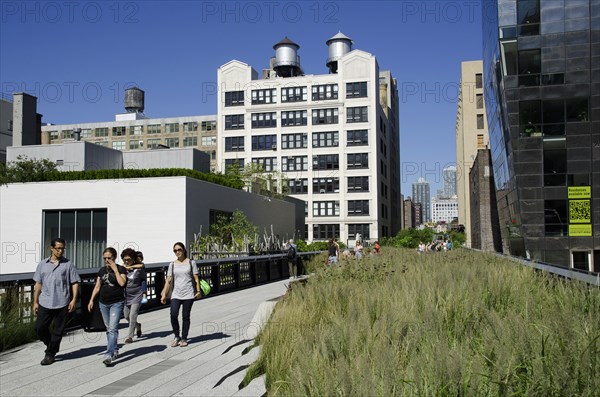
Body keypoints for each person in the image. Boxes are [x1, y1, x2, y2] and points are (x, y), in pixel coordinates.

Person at [32, 238, 81, 366]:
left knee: (58, 331)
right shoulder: (42, 264)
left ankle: (50, 354)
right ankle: (51, 345)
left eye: (62, 248)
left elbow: (74, 282)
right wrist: (35, 302)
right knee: (39, 328)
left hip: (62, 302)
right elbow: (38, 284)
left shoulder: (68, 264)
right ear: (51, 248)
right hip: (45, 302)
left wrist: (73, 300)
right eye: (58, 248)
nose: (60, 251)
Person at [87, 247, 127, 366]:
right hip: (103, 303)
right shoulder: (102, 271)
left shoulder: (121, 269)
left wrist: (115, 270)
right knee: (109, 328)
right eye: (105, 258)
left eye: (109, 258)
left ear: (114, 257)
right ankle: (114, 349)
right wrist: (91, 300)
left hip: (117, 302)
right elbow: (97, 286)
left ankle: (109, 354)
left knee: (113, 328)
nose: (107, 260)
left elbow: (122, 283)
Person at [160, 242, 201, 347]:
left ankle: (184, 338)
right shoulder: (172, 264)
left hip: (188, 293)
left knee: (185, 316)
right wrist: (164, 294)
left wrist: (198, 291)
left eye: (179, 250)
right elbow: (168, 280)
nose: (177, 252)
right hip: (176, 294)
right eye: (175, 250)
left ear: (183, 250)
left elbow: (196, 278)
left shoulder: (191, 263)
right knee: (173, 315)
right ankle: (176, 336)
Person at [121, 248, 145, 343]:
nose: (127, 261)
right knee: (126, 315)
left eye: (129, 259)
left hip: (137, 294)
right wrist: (126, 268)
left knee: (132, 315)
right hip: (126, 295)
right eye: (125, 259)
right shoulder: (122, 268)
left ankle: (129, 336)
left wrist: (144, 292)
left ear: (133, 259)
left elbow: (143, 279)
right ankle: (137, 325)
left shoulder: (139, 269)